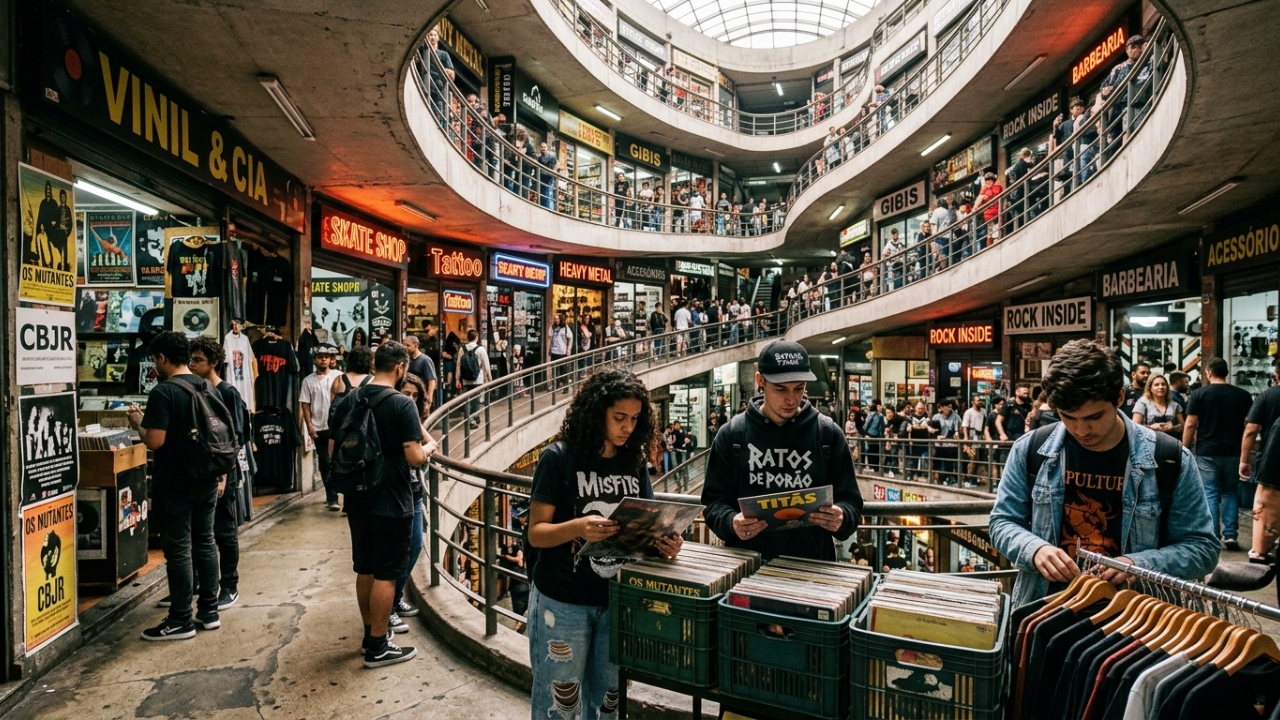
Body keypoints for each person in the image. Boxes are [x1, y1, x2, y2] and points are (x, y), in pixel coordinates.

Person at [990, 339, 1218, 606]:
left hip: (1138, 624)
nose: (1081, 430)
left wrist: (1136, 564)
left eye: (1094, 417)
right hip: (1042, 612)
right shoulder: (1030, 450)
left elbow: (1202, 548)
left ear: (1119, 397)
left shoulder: (1170, 458)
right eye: (1068, 417)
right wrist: (1035, 549)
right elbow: (1001, 523)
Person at [526, 367, 681, 720]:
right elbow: (537, 533)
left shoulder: (634, 461)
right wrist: (578, 527)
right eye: (619, 418)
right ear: (596, 413)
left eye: (636, 419)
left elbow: (644, 524)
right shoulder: (559, 458)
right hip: (562, 603)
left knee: (608, 705)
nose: (628, 427)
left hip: (616, 601)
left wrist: (665, 541)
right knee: (559, 706)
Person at [701, 340, 864, 561]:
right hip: (748, 569)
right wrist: (731, 522)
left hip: (812, 569)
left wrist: (841, 517)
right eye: (780, 389)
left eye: (799, 388)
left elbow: (852, 503)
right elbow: (713, 503)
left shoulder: (827, 434)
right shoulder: (732, 435)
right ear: (760, 381)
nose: (791, 399)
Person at [330, 341, 430, 668]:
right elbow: (414, 456)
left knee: (366, 567)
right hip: (392, 498)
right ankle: (378, 646)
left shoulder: (351, 398)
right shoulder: (402, 404)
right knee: (388, 573)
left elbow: (335, 444)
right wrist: (430, 450)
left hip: (357, 495)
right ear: (401, 368)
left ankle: (368, 635)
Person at [126, 332, 226, 640]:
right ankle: (209, 611)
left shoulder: (164, 392)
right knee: (205, 541)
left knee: (180, 549)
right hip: (207, 476)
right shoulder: (207, 385)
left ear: (161, 358)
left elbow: (155, 440)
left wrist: (137, 421)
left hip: (176, 482)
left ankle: (181, 618)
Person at [188, 336, 253, 610]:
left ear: (214, 362)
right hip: (202, 471)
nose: (192, 365)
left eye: (198, 360)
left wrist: (224, 476)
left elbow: (237, 436)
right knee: (199, 532)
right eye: (191, 360)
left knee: (224, 531)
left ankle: (230, 585)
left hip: (223, 472)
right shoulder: (194, 390)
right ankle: (199, 584)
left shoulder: (227, 393)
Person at [1183, 357, 1254, 550]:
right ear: (1227, 372)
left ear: (1208, 373)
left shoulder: (1199, 394)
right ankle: (1230, 535)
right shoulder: (1243, 395)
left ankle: (1213, 535)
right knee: (1230, 492)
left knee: (1210, 493)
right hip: (1233, 451)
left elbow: (1190, 424)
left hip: (1207, 451)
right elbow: (1248, 425)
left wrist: (1185, 447)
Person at [394, 373, 439, 627]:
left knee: (415, 544)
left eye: (414, 395)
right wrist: (426, 450)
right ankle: (389, 606)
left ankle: (396, 596)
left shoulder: (410, 418)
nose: (410, 399)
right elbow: (418, 456)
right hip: (398, 492)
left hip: (414, 491)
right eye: (406, 393)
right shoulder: (394, 415)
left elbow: (431, 441)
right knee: (398, 552)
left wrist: (427, 448)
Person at [301, 345, 341, 510]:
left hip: (338, 428)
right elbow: (305, 404)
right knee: (325, 462)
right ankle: (332, 497)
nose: (323, 359)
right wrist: (309, 425)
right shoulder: (308, 381)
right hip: (319, 427)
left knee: (340, 461)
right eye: (320, 356)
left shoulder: (339, 376)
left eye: (326, 356)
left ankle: (344, 493)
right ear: (314, 359)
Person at [455, 329, 492, 429]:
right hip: (477, 379)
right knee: (476, 400)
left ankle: (470, 419)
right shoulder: (481, 349)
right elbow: (486, 366)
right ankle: (474, 420)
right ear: (477, 338)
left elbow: (458, 365)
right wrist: (490, 379)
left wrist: (457, 379)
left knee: (468, 401)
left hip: (466, 380)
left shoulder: (462, 349)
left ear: (467, 338)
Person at [1132, 373, 1184, 437]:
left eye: (1163, 384)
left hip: (1171, 443)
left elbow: (1183, 426)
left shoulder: (1175, 405)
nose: (1161, 387)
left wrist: (1173, 428)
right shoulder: (1142, 403)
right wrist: (1151, 427)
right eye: (1156, 385)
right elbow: (1134, 427)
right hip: (1149, 443)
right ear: (1150, 388)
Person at [404, 335, 438, 412]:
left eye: (408, 345)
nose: (405, 347)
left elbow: (431, 381)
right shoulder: (407, 360)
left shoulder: (425, 360)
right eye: (404, 345)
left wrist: (429, 400)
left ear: (416, 345)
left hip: (422, 396)